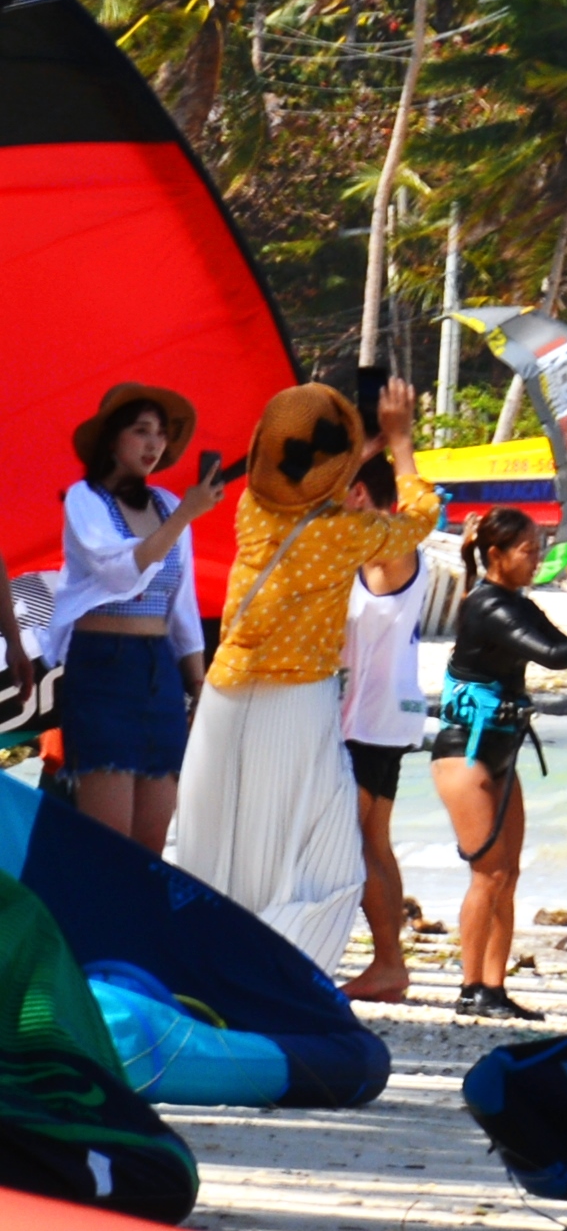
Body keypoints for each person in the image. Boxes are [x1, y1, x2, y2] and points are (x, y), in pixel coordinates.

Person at [174, 386, 431, 971]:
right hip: (297, 699)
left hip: (225, 692)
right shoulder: (349, 532)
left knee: (216, 842)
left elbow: (309, 484)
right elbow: (420, 518)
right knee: (315, 848)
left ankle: (207, 961)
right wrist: (400, 442)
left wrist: (360, 450)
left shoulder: (251, 510)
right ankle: (279, 967)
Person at [425, 505, 567, 1019]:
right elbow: (553, 659)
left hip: (504, 748)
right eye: (528, 550)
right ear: (496, 555)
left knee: (508, 874)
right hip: (463, 750)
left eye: (539, 549)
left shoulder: (516, 601)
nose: (537, 559)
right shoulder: (487, 606)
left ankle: (494, 987)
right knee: (487, 874)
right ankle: (471, 987)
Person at [45, 383, 230, 853]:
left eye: (161, 435)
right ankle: (92, 924)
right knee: (108, 842)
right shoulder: (85, 500)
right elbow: (119, 572)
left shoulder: (168, 504)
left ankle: (132, 925)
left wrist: (197, 684)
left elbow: (181, 606)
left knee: (150, 839)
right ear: (113, 439)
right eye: (141, 431)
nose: (154, 444)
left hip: (158, 669)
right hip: (104, 664)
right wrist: (185, 516)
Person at [333, 438, 443, 1005]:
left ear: (357, 494)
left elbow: (419, 511)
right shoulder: (371, 552)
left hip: (370, 720)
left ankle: (386, 962)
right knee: (372, 841)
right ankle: (387, 964)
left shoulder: (388, 550)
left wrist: (399, 445)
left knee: (352, 842)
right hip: (381, 716)